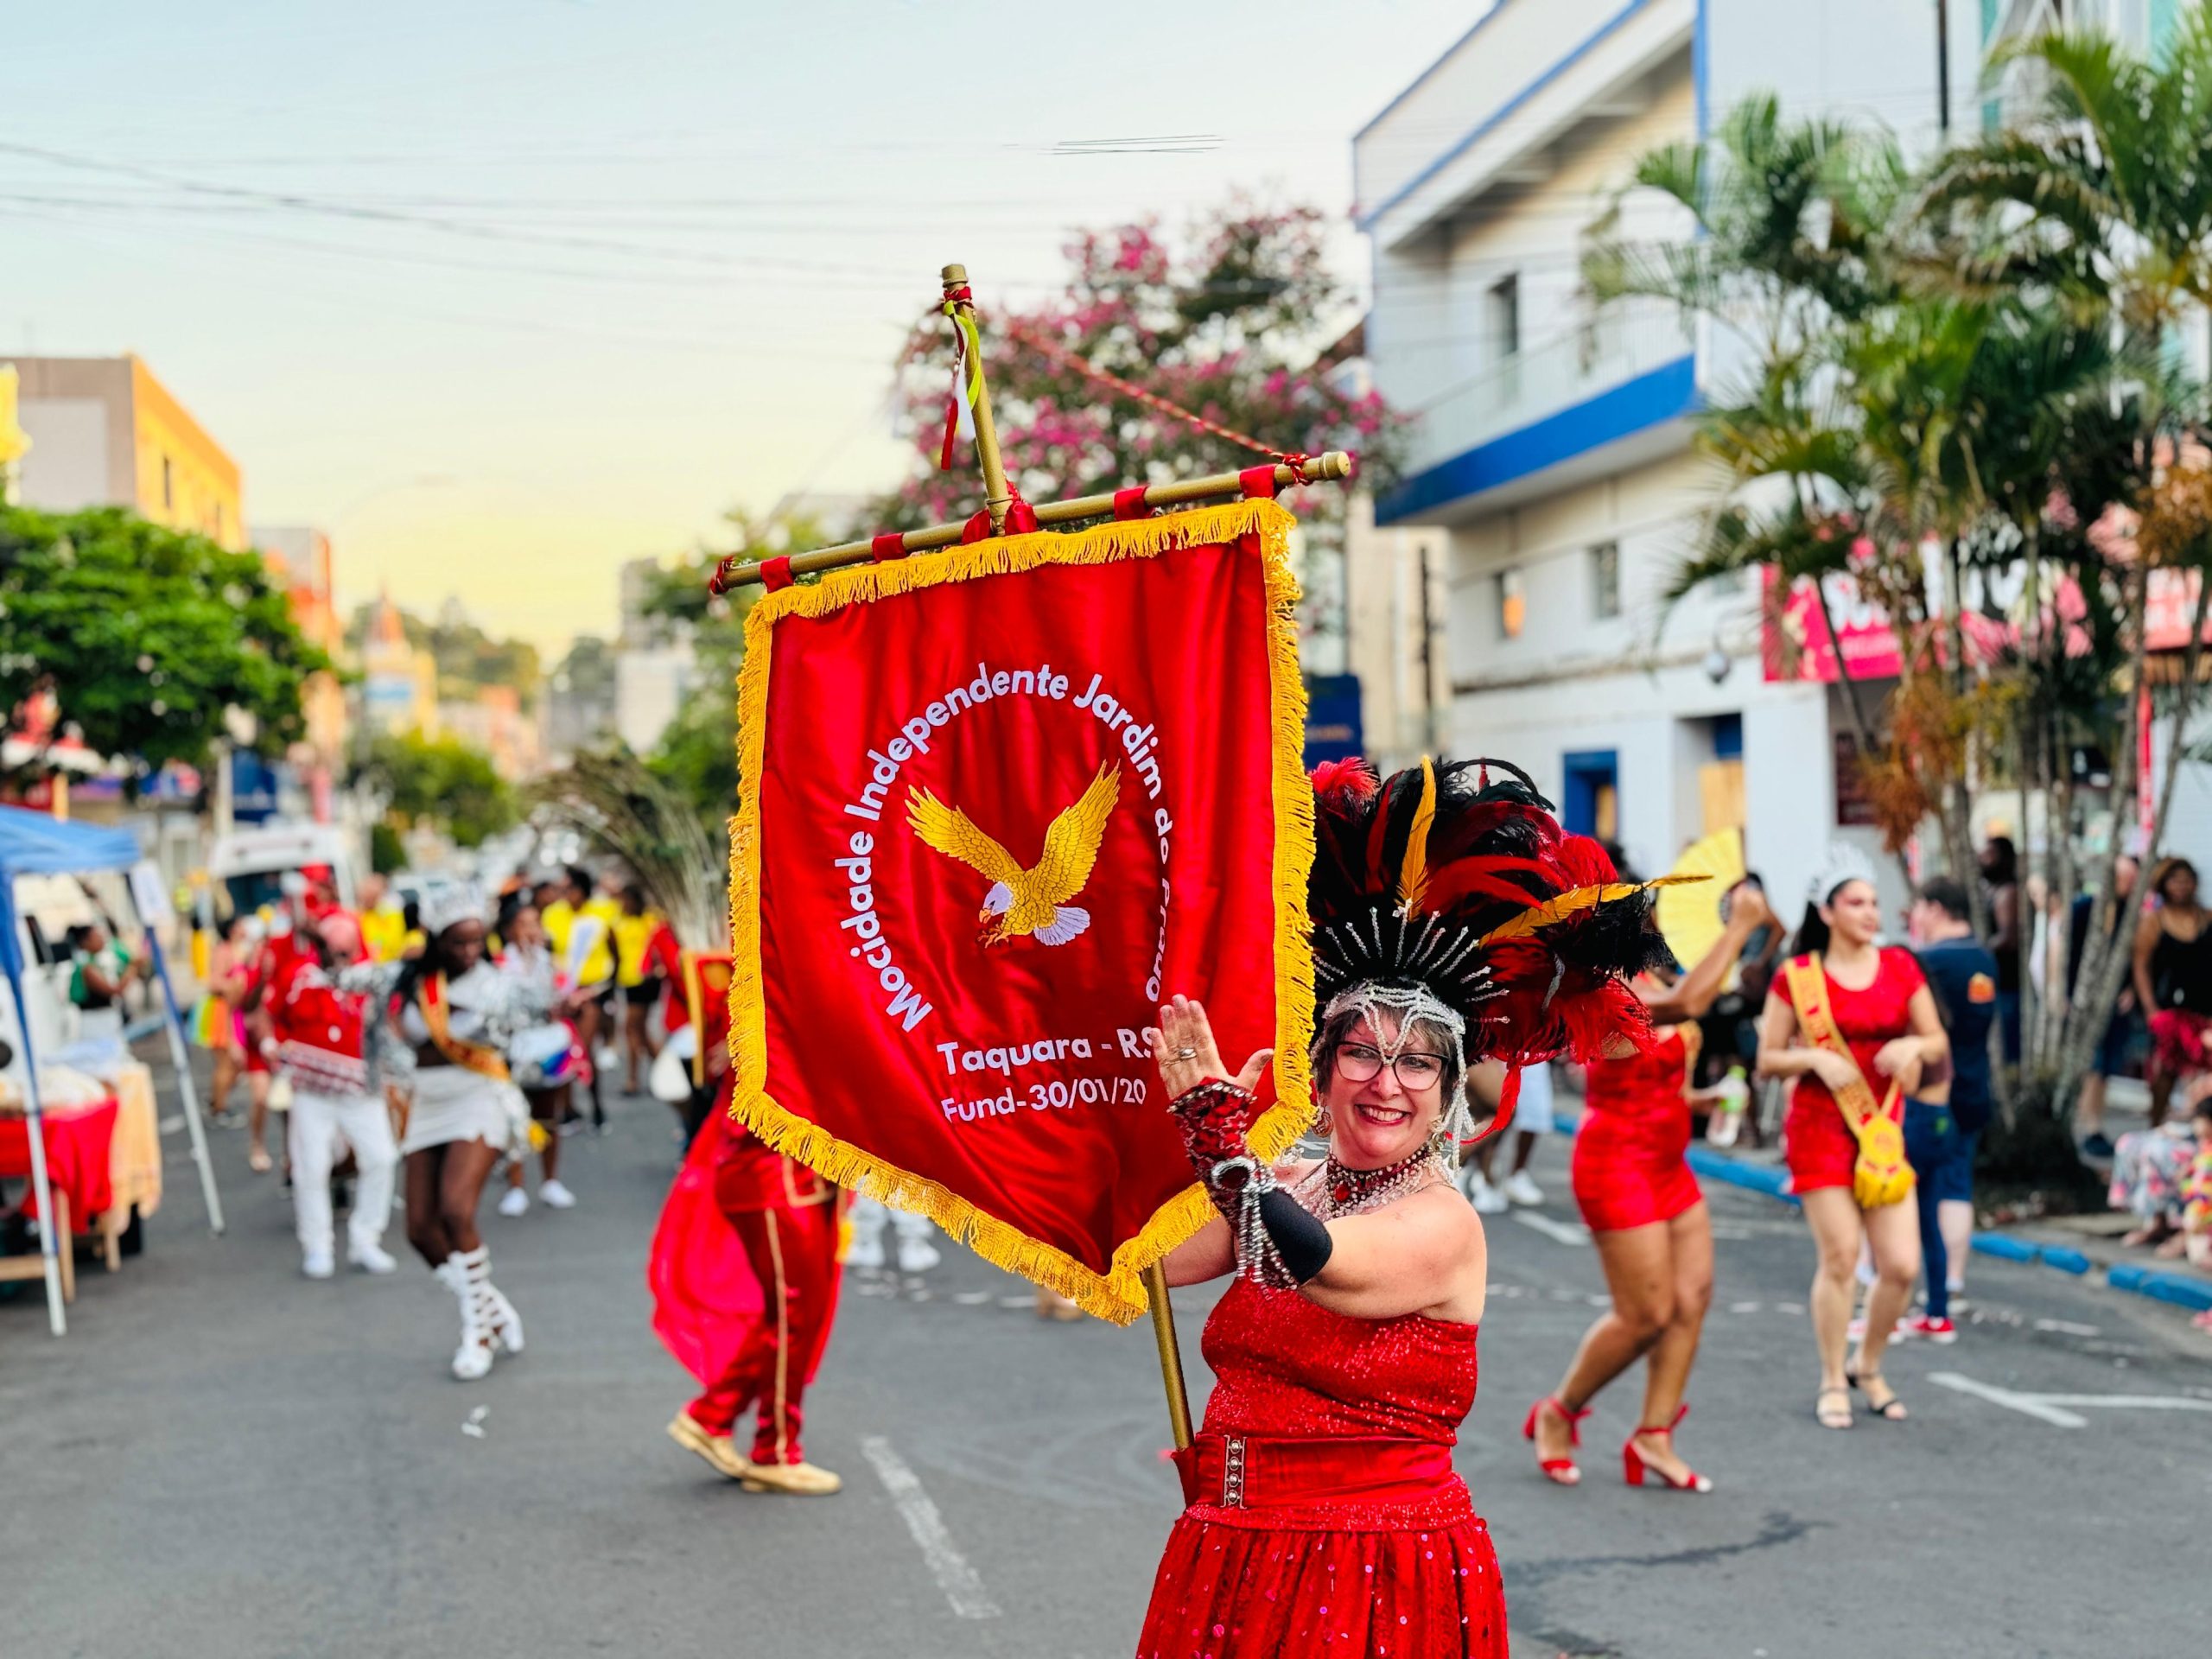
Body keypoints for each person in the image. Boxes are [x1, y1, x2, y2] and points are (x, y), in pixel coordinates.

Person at [1135, 757, 1662, 1658]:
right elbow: (1142, 1262)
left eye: (1416, 1061)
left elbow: (1322, 1264)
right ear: (1321, 1067)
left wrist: (1221, 1144)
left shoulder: (1442, 1223)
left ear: (1448, 1086)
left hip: (1368, 1569)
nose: (1386, 1083)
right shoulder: (1285, 1181)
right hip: (1228, 1551)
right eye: (1361, 1055)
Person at [1525, 879, 1777, 1492]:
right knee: (1645, 1316)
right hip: (1616, 1164)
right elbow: (1693, 1004)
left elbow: (1661, 1073)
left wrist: (1705, 1097)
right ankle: (1557, 1413)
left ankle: (1654, 1435)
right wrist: (1740, 926)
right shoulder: (1595, 992)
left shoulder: (1654, 980)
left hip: (1670, 1162)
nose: (1653, 919)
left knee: (1693, 1298)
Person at [1758, 849, 1948, 1429]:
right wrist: (1813, 1056)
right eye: (1856, 902)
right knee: (1840, 1256)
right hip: (1819, 1127)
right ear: (1828, 910)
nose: (1870, 912)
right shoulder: (1799, 976)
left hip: (1881, 1131)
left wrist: (1913, 1047)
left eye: (1873, 902)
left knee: (1901, 1266)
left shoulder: (1899, 966)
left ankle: (1870, 1365)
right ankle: (1831, 1376)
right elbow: (1767, 1058)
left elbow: (1937, 1039)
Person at [659, 977, 847, 1496]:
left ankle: (712, 1416)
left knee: (789, 1318)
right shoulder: (764, 989)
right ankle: (775, 1451)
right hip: (773, 1177)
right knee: (792, 1315)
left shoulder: (785, 984)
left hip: (799, 1177)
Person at [359, 888, 550, 1380]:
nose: (468, 951)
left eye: (475, 942)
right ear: (437, 940)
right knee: (420, 1230)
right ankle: (491, 1306)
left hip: (478, 1094)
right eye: (457, 943)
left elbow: (539, 1007)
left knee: (455, 1210)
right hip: (427, 1099)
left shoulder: (498, 984)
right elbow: (363, 991)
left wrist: (543, 973)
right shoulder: (410, 980)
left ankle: (478, 1332)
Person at [265, 912, 398, 1279]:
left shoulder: (370, 977)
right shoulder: (300, 978)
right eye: (332, 950)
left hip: (360, 1090)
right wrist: (269, 1044)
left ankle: (366, 1239)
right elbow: (268, 1014)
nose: (339, 957)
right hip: (312, 1092)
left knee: (382, 1158)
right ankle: (318, 1246)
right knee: (311, 1168)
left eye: (345, 950)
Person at [1903, 878, 1999, 1341]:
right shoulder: (1985, 960)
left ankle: (1904, 1287)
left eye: (1918, 908)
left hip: (1932, 1089)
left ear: (1936, 908)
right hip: (1977, 1084)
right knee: (1959, 1186)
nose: (1915, 918)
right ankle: (1954, 1283)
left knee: (1922, 1192)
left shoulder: (1930, 963)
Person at [495, 899, 580, 1217]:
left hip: (546, 1049)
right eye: (524, 924)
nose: (532, 931)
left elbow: (557, 1003)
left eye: (535, 923)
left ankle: (550, 1182)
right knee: (515, 1120)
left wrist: (568, 1003)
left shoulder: (549, 963)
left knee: (549, 1117)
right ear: (509, 930)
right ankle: (516, 1186)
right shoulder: (500, 967)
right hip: (513, 1051)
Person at [2133, 858, 2212, 1131]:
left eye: (2185, 880)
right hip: (2169, 1010)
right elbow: (2141, 965)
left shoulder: (2207, 918)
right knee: (2164, 1072)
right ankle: (2155, 1125)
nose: (2181, 886)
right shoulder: (2154, 922)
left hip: (2204, 1008)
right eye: (2174, 880)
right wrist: (2150, 1007)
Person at [2073, 856, 2141, 1159]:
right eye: (2125, 879)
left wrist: (2131, 990)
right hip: (2087, 1002)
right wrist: (2067, 997)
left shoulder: (2132, 914)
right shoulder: (2084, 909)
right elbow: (2069, 957)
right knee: (2092, 1066)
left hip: (2117, 1004)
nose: (2129, 885)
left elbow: (2136, 960)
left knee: (2107, 1067)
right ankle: (2089, 1125)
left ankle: (2095, 1126)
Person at [543, 865, 617, 1129]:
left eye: (568, 889)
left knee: (582, 1051)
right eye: (560, 889)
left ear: (582, 889)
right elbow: (548, 953)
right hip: (562, 995)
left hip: (592, 993)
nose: (563, 894)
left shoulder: (601, 913)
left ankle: (597, 1107)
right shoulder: (552, 915)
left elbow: (614, 954)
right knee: (563, 1051)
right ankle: (568, 1110)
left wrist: (604, 991)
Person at [613, 887, 680, 1097]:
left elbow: (661, 946)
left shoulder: (651, 920)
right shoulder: (619, 922)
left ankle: (633, 1079)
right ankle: (669, 1072)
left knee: (631, 1028)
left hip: (645, 980)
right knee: (640, 1031)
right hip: (628, 980)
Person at [1464, 1060, 1554, 1211]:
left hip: (1532, 1054)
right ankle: (1476, 1172)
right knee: (1501, 1109)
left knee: (1529, 1115)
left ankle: (1498, 1176)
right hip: (1496, 1052)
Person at [1981, 835, 2023, 1065]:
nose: (1983, 860)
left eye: (1990, 855)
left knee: (2008, 1048)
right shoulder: (1993, 890)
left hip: (2007, 985)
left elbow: (2009, 938)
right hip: (1995, 984)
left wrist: (1978, 951)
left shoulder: (2008, 892)